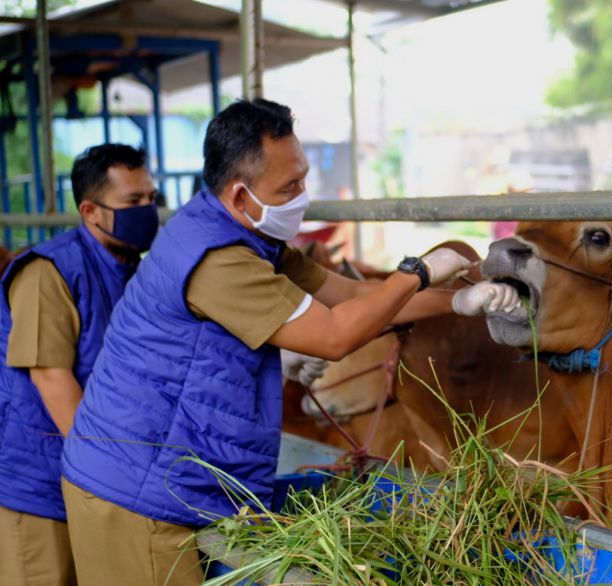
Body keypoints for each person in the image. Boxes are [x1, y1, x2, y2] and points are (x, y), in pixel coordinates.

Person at [59, 99, 518, 586]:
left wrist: (460, 300)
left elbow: (356, 296)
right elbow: (336, 334)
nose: (302, 196)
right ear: (239, 195)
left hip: (169, 476)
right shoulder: (216, 259)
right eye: (290, 186)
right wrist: (417, 273)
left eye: (302, 178)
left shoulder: (248, 235)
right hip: (137, 491)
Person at [0, 144, 159, 586]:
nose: (147, 211)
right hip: (41, 484)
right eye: (132, 202)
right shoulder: (49, 272)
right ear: (90, 210)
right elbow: (50, 375)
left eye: (151, 199)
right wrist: (111, 471)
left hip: (95, 481)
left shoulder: (134, 271)